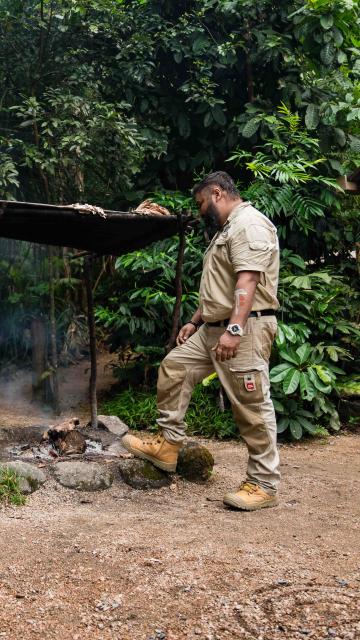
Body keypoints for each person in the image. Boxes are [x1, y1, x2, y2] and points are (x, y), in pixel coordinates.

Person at [122, 171, 281, 511]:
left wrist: (234, 330)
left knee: (251, 407)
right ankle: (167, 444)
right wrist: (195, 322)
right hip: (212, 327)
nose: (200, 210)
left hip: (245, 328)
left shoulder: (249, 224)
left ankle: (263, 484)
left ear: (218, 192)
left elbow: (247, 281)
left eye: (201, 203)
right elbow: (219, 287)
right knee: (175, 367)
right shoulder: (225, 230)